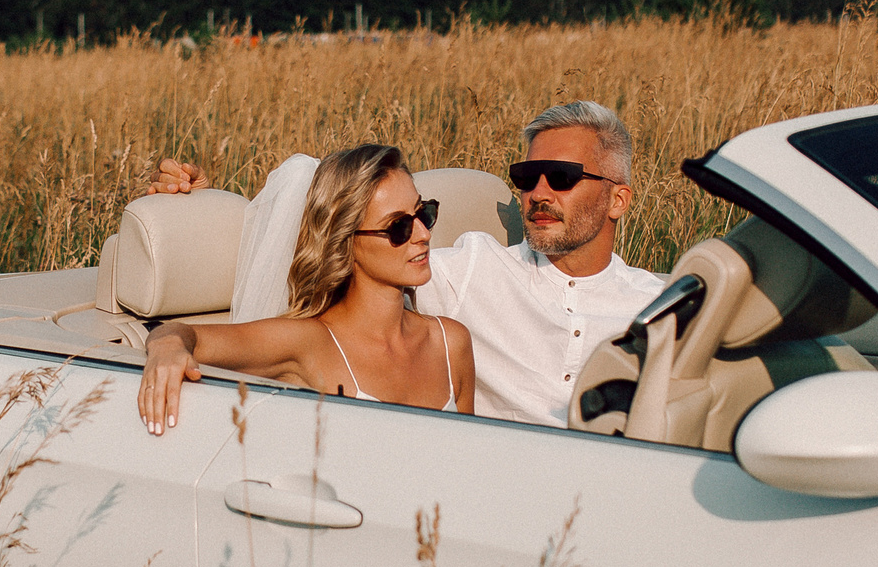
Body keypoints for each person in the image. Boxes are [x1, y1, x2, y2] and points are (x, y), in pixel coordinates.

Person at [149, 100, 663, 425]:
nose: (538, 193)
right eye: (528, 176)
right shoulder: (471, 270)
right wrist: (192, 204)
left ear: (619, 200)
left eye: (562, 177)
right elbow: (353, 241)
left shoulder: (659, 306)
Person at [137, 144, 475, 434]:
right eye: (398, 226)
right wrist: (167, 347)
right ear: (346, 241)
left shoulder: (451, 342)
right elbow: (180, 334)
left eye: (423, 213)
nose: (423, 234)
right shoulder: (309, 342)